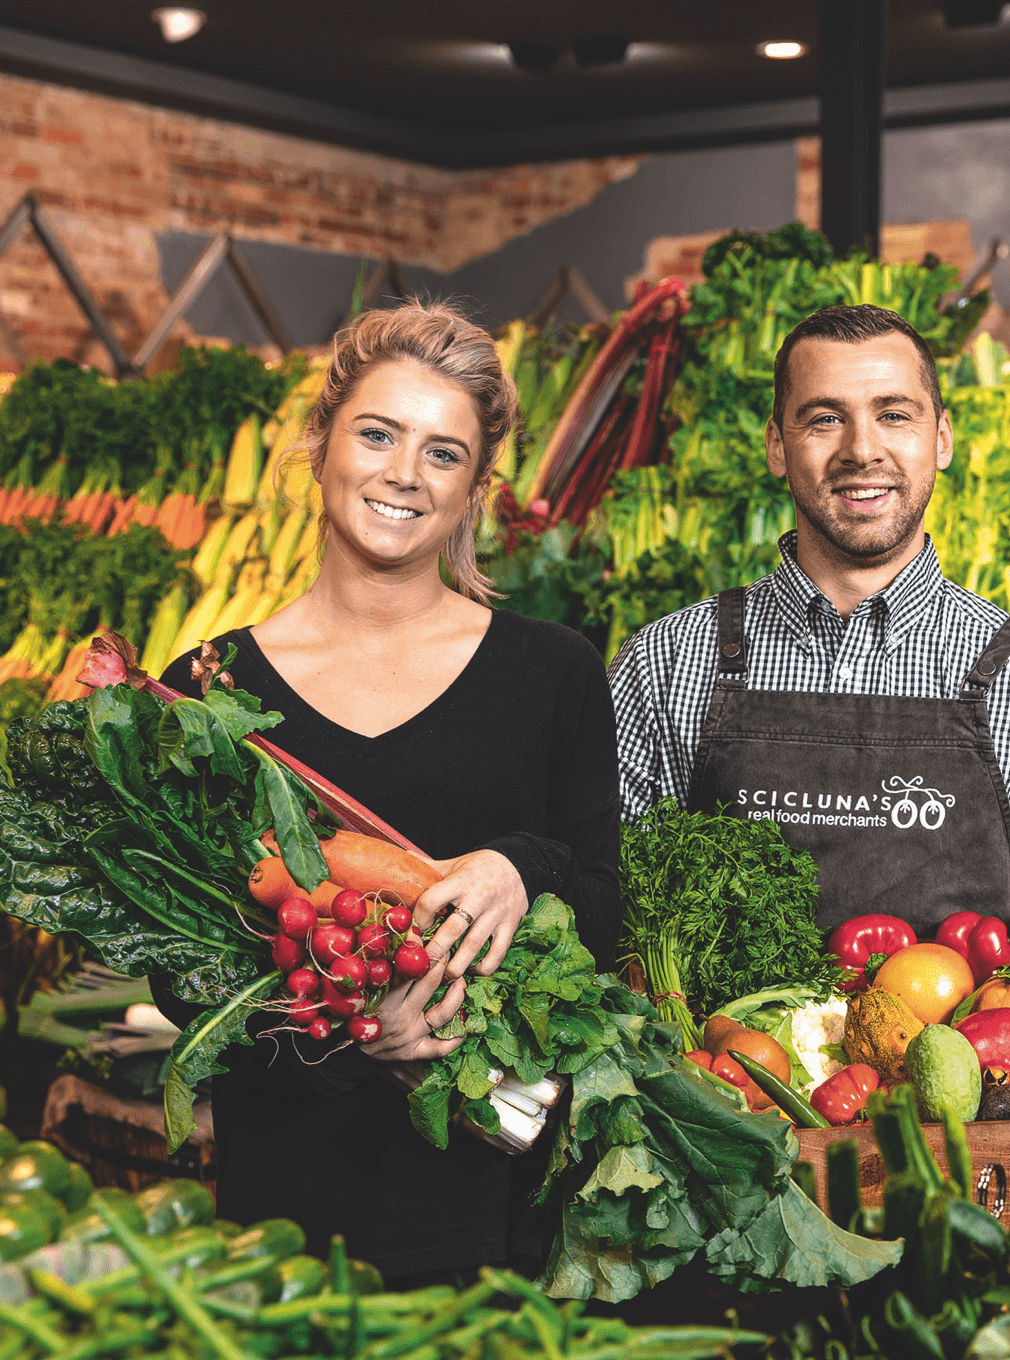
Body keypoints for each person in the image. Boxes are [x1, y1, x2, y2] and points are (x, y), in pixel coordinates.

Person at [156, 301, 620, 1285]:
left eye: (443, 452)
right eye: (377, 433)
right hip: (279, 1220)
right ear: (319, 442)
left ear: (477, 488)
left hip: (492, 1225)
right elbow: (170, 965)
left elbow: (607, 907)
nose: (404, 473)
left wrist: (519, 867)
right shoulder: (206, 686)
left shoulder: (555, 673)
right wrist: (350, 1021)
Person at [609, 303, 1010, 976]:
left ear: (942, 439)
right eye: (825, 418)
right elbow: (595, 911)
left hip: (964, 1074)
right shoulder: (665, 662)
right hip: (721, 1074)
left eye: (894, 414)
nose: (862, 449)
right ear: (777, 446)